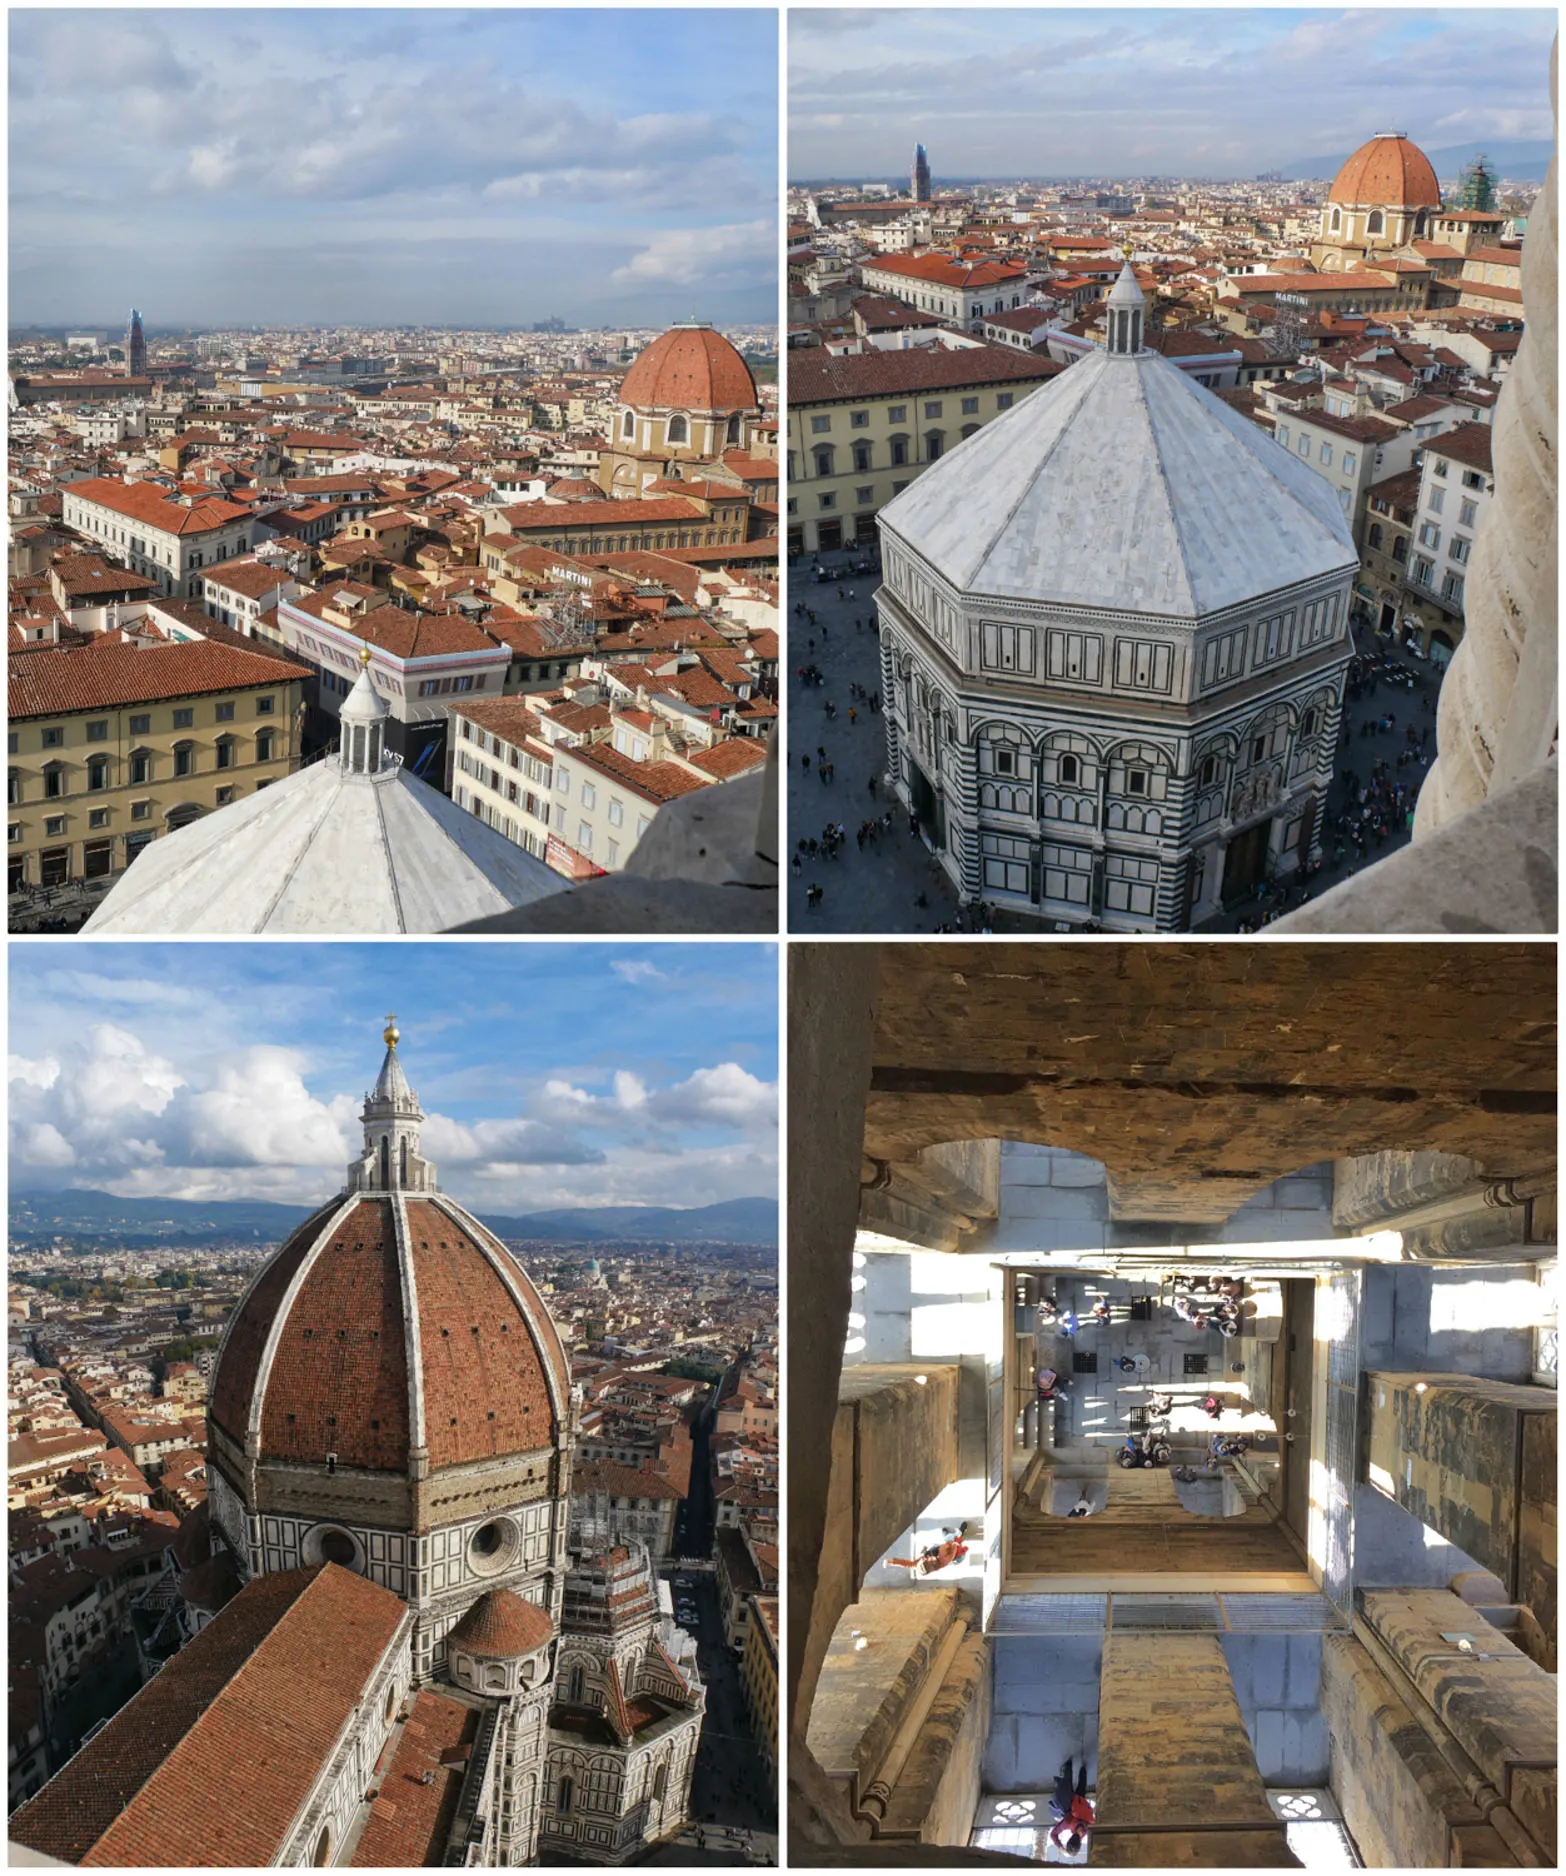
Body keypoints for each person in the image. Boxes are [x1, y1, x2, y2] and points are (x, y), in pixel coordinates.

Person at [887, 1522, 969, 1576]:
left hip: (943, 1550)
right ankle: (961, 1532)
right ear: (933, 1563)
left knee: (943, 1543)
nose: (925, 1557)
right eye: (928, 1559)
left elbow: (908, 1564)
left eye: (924, 1559)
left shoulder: (922, 1562)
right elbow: (952, 1550)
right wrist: (954, 1543)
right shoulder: (944, 1559)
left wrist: (892, 1562)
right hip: (956, 1555)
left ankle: (947, 1536)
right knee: (950, 1538)